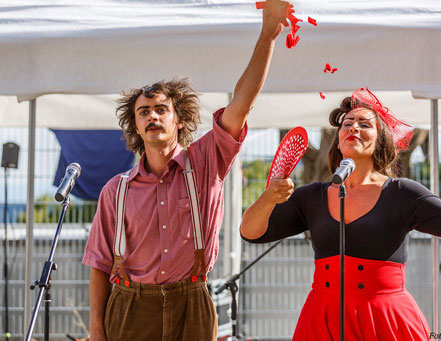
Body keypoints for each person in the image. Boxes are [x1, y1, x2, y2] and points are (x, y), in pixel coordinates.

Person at [82, 1, 290, 340]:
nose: (152, 116)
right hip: (130, 307)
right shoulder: (115, 191)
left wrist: (268, 35)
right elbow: (99, 265)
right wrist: (96, 332)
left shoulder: (207, 161)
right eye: (144, 111)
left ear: (178, 120)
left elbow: (242, 103)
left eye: (161, 109)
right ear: (135, 125)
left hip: (192, 302)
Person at [240, 88, 441, 340]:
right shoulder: (312, 196)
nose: (353, 127)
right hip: (322, 318)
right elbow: (250, 232)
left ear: (380, 140)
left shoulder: (402, 193)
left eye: (365, 124)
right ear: (339, 139)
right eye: (347, 123)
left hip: (386, 319)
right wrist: (267, 199)